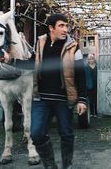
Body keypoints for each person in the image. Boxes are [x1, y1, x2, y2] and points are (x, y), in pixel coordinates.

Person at [30, 13, 87, 169]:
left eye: (66, 26)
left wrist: (82, 99)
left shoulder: (73, 47)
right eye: (61, 26)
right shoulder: (40, 43)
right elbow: (31, 62)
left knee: (66, 134)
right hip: (41, 98)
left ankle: (66, 165)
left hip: (63, 99)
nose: (65, 29)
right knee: (36, 134)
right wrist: (11, 60)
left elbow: (81, 74)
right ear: (51, 28)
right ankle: (50, 166)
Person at [85, 53, 98, 117]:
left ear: (94, 59)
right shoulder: (86, 67)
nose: (91, 60)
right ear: (88, 60)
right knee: (90, 100)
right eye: (89, 59)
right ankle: (91, 113)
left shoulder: (97, 66)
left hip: (97, 85)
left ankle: (96, 113)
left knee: (96, 99)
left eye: (92, 58)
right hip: (89, 86)